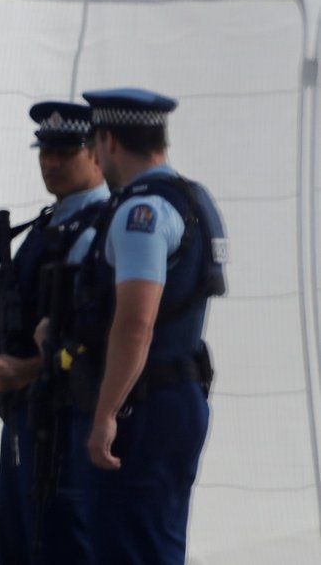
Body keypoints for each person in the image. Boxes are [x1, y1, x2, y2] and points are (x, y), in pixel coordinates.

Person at [73, 88, 227, 564]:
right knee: (154, 541)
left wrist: (104, 416)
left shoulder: (141, 213)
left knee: (129, 545)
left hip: (144, 405)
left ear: (109, 141)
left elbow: (136, 323)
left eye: (95, 143)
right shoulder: (194, 198)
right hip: (174, 395)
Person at [0, 101, 108, 564]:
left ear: (96, 153)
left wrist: (28, 370)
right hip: (27, 409)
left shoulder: (101, 225)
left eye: (65, 153)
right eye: (44, 152)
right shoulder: (49, 223)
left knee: (60, 539)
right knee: (17, 535)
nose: (50, 163)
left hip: (66, 409)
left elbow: (96, 333)